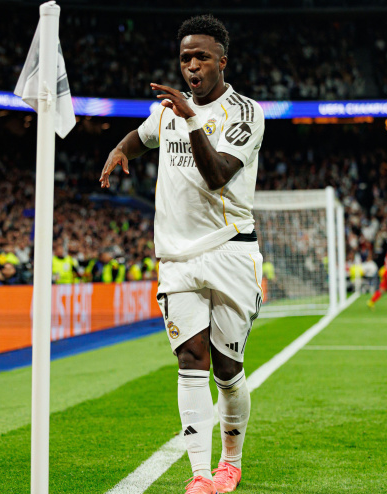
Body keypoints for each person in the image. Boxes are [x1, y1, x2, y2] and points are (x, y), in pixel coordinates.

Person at [100, 15, 264, 494]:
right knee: (191, 359)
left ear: (222, 62)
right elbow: (144, 134)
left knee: (227, 367)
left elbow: (216, 175)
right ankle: (199, 475)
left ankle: (230, 462)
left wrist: (191, 119)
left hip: (230, 251)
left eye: (202, 58)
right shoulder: (168, 110)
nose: (192, 66)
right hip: (176, 258)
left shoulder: (245, 113)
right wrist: (121, 148)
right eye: (185, 58)